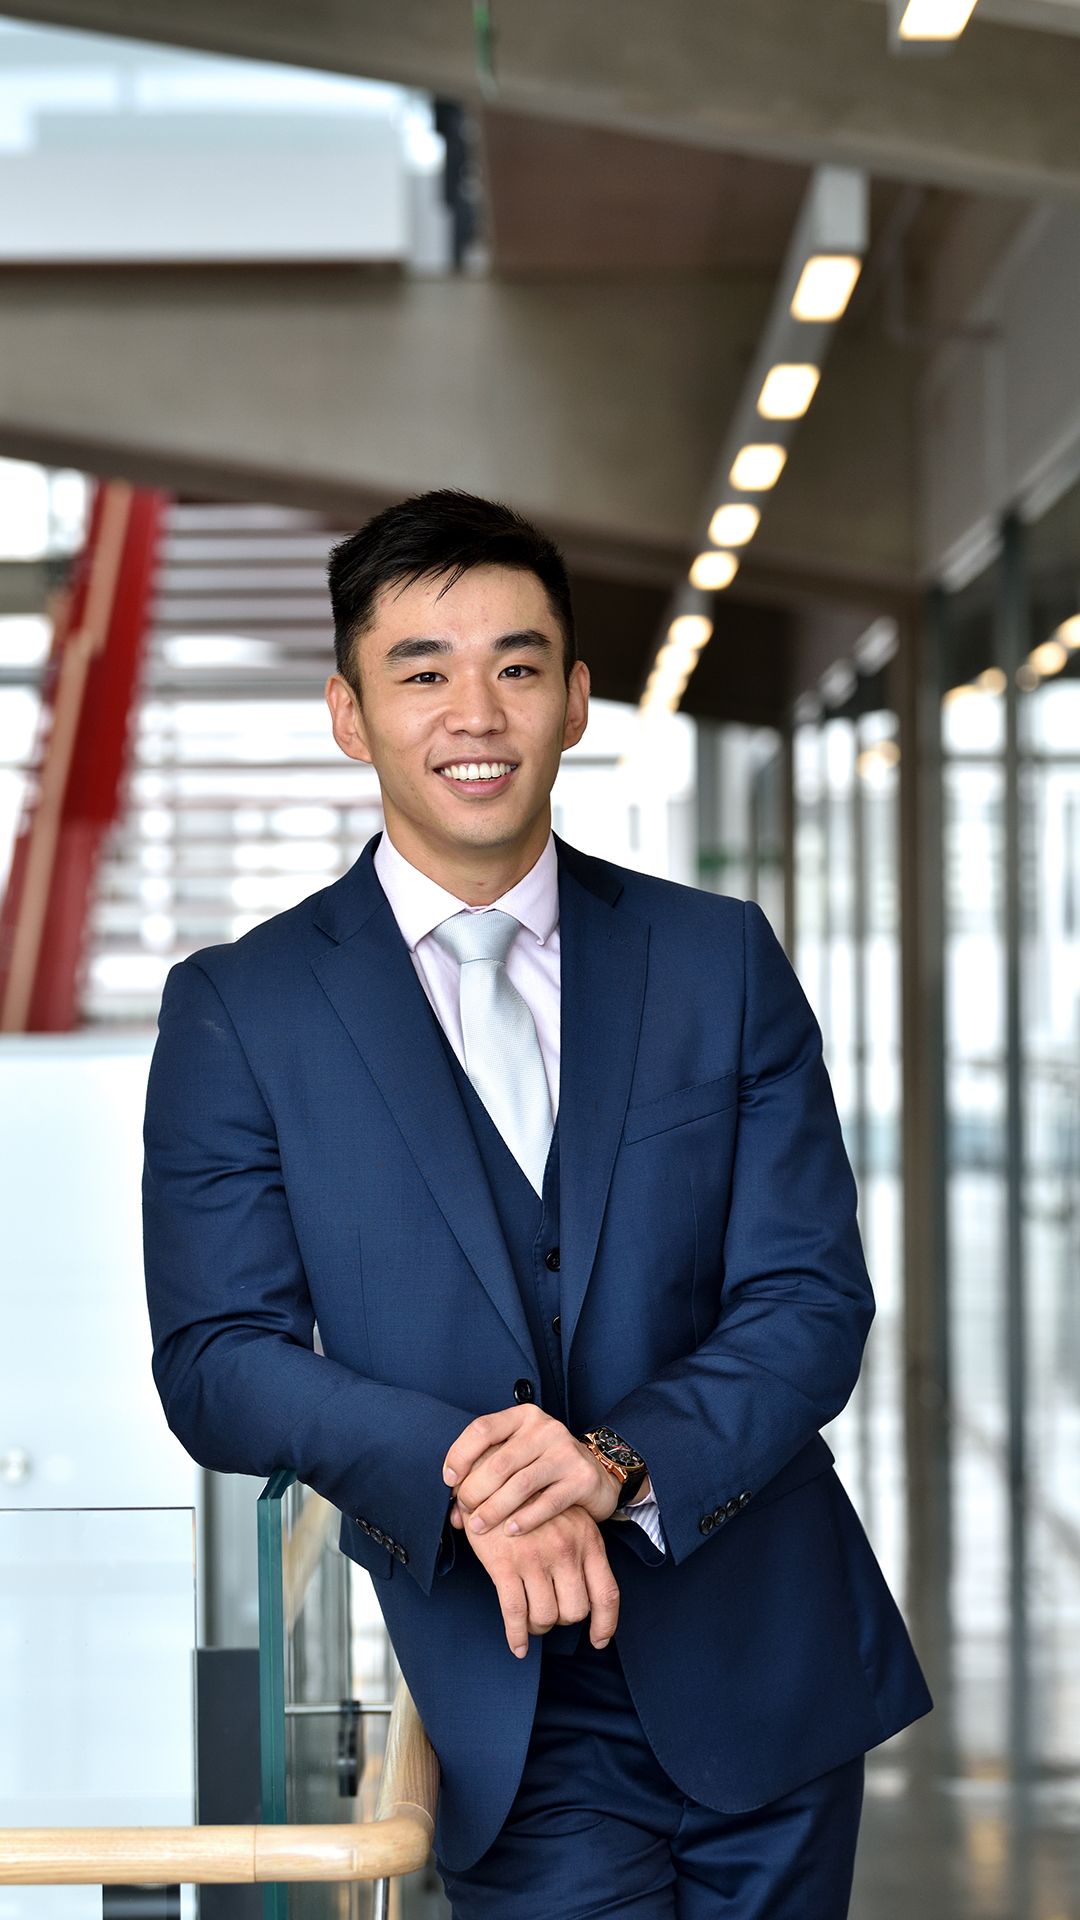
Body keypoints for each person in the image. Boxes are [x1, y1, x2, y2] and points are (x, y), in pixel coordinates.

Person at [142, 488, 932, 1918]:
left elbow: (811, 1298)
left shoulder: (717, 960)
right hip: (499, 1699)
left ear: (576, 700)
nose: (475, 711)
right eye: (422, 671)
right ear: (348, 710)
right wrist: (474, 1468)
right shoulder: (241, 1011)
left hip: (764, 1663)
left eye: (516, 665)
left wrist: (616, 1461)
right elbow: (214, 1359)